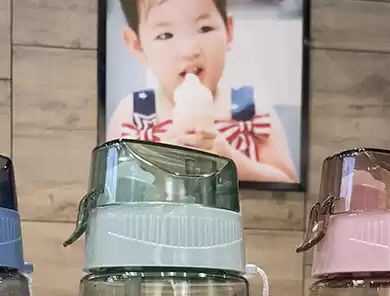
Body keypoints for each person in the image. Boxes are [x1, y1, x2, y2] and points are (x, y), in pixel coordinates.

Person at [107, 0, 298, 184]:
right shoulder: (132, 115)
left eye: (204, 29)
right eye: (165, 35)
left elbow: (288, 182)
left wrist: (231, 161)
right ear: (137, 45)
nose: (189, 51)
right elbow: (110, 186)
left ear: (228, 31)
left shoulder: (251, 110)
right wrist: (159, 160)